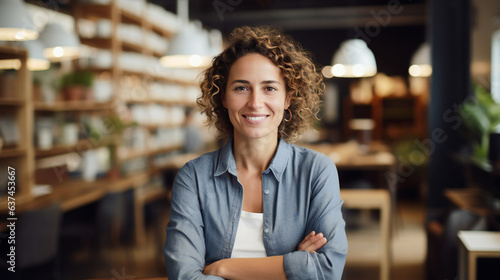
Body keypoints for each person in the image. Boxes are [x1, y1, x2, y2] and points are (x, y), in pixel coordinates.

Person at [164, 26, 347, 280]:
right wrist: (291, 265)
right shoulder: (193, 177)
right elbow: (185, 276)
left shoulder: (317, 171)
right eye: (241, 87)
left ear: (287, 98)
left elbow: (327, 271)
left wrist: (222, 268)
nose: (255, 102)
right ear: (223, 97)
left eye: (269, 88)